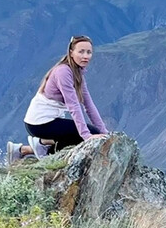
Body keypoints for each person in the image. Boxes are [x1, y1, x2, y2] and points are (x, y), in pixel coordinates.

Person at [7, 34, 109, 164]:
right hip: (39, 123)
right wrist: (86, 136)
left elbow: (88, 105)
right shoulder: (63, 72)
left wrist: (104, 132)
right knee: (87, 135)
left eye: (89, 52)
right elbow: (73, 106)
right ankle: (46, 159)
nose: (85, 56)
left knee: (93, 133)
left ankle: (27, 149)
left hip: (48, 121)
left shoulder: (78, 74)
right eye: (81, 51)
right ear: (71, 53)